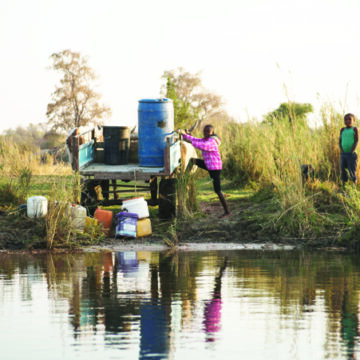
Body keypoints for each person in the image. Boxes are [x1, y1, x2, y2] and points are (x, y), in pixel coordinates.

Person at [177, 124, 231, 218]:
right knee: (193, 161)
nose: (206, 133)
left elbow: (203, 146)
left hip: (215, 167)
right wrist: (185, 136)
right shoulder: (205, 139)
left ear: (212, 133)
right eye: (205, 131)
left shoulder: (212, 141)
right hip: (208, 164)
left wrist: (189, 141)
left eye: (208, 132)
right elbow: (196, 140)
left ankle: (227, 212)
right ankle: (185, 179)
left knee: (218, 190)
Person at [339, 113, 359, 188]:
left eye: (349, 119)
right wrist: (341, 150)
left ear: (354, 121)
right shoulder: (342, 130)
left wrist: (352, 150)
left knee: (352, 172)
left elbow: (357, 140)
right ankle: (344, 189)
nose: (347, 121)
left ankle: (353, 188)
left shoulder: (354, 129)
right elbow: (340, 141)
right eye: (345, 119)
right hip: (343, 154)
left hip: (351, 154)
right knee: (344, 172)